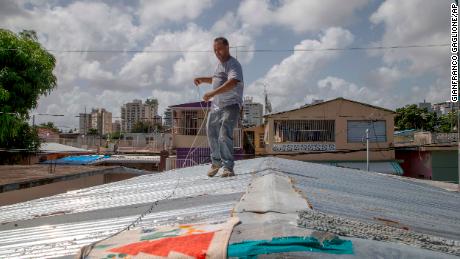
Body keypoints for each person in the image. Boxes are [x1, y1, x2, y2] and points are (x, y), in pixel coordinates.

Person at [194, 37, 244, 177]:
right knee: (211, 134)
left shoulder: (233, 64)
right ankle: (216, 163)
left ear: (227, 47)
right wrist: (203, 79)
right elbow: (217, 79)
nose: (217, 52)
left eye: (220, 49)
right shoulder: (219, 65)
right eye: (215, 50)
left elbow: (232, 82)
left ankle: (228, 167)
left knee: (224, 134)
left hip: (231, 105)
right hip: (216, 106)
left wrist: (212, 93)